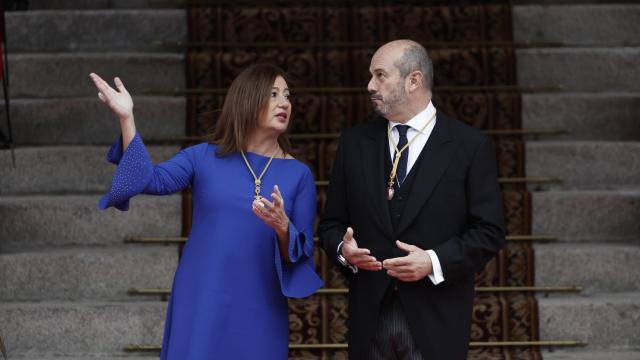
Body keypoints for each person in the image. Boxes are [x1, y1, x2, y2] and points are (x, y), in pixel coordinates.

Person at [90, 64, 323, 359]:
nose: (284, 103)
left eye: (287, 96)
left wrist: (283, 227)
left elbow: (299, 255)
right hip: (202, 293)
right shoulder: (203, 157)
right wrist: (127, 118)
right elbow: (150, 180)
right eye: (273, 94)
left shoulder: (299, 174)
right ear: (247, 100)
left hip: (259, 300)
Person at [319, 39, 506, 359]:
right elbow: (332, 223)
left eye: (380, 75)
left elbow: (490, 231)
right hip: (370, 316)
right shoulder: (354, 143)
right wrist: (343, 250)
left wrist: (432, 261)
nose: (370, 86)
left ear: (414, 80)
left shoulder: (469, 145)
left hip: (437, 316)